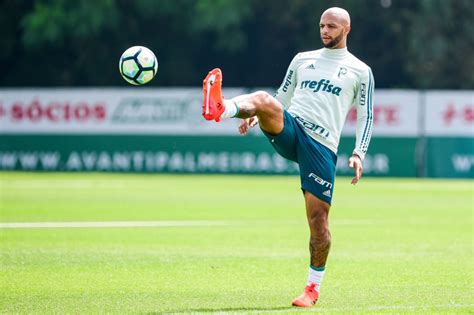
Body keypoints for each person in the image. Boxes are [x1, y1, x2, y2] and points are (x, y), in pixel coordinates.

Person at [201, 7, 374, 307]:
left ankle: (312, 288)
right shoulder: (302, 59)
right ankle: (221, 107)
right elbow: (281, 97)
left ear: (346, 29)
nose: (324, 31)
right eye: (321, 25)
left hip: (321, 147)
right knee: (263, 99)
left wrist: (359, 152)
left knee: (318, 220)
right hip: (292, 128)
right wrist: (255, 117)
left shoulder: (360, 70)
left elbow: (366, 116)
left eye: (331, 26)